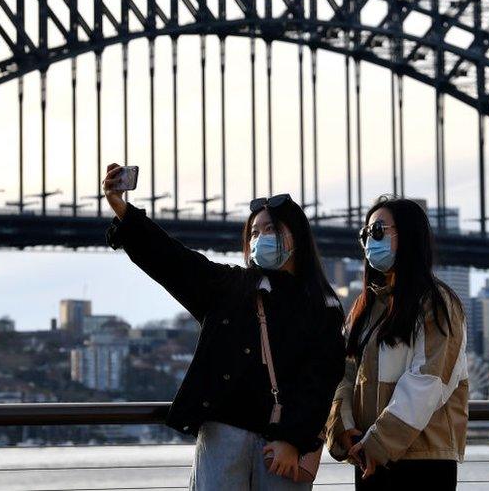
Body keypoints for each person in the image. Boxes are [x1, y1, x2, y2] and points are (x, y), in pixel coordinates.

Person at [101, 163, 346, 491]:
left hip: (282, 450)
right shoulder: (231, 287)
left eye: (270, 229)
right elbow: (175, 262)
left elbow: (321, 382)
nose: (260, 238)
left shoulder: (324, 306)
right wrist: (124, 211)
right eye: (254, 232)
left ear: (296, 236)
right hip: (222, 440)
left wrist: (293, 440)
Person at [326, 195, 469, 490]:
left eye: (378, 231)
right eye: (365, 234)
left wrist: (377, 442)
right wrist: (345, 429)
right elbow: (343, 374)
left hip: (423, 458)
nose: (369, 241)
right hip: (368, 456)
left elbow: (428, 381)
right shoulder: (365, 309)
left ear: (410, 236)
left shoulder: (437, 303)